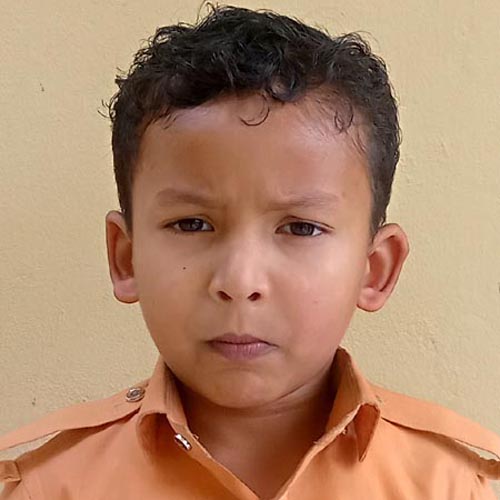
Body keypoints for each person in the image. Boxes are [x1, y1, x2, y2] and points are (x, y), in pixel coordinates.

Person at [1, 3, 499, 499]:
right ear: (125, 258)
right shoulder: (50, 487)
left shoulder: (455, 486)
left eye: (300, 228)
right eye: (192, 224)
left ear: (375, 270)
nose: (240, 282)